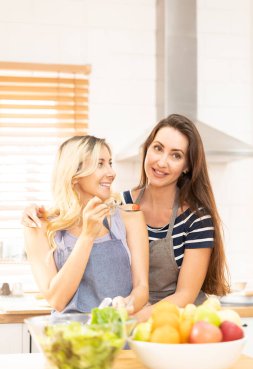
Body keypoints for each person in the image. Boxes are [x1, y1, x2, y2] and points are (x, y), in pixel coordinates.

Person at [22, 114, 230, 321]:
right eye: (157, 148)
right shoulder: (123, 203)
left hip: (177, 320)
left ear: (187, 166)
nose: (162, 161)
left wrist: (125, 320)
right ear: (147, 149)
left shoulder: (193, 220)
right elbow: (57, 297)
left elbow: (184, 295)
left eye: (176, 155)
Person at [24, 135, 149, 315]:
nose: (112, 173)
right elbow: (57, 300)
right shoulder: (39, 226)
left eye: (110, 163)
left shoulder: (130, 217)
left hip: (118, 332)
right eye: (100, 164)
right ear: (74, 175)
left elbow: (142, 287)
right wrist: (87, 236)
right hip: (70, 337)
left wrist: (125, 308)